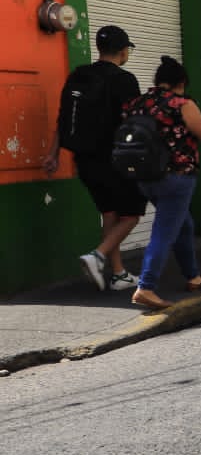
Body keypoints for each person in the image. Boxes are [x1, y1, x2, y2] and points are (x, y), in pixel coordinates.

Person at [127, 56, 201, 310]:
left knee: (182, 223)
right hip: (176, 177)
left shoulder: (137, 103)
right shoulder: (182, 104)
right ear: (182, 82)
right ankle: (146, 287)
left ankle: (193, 276)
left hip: (144, 177)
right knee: (164, 231)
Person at [43, 25, 145, 292]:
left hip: (85, 160)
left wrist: (53, 154)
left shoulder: (79, 75)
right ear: (123, 51)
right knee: (132, 214)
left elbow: (63, 117)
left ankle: (118, 274)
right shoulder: (125, 80)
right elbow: (134, 122)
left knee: (109, 212)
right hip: (116, 159)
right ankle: (97, 256)